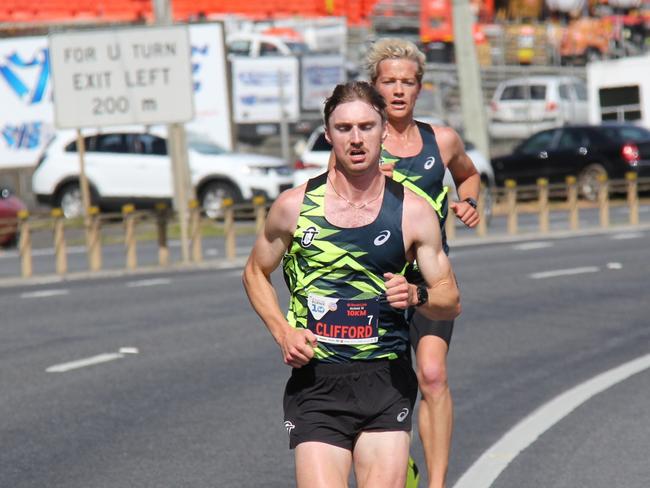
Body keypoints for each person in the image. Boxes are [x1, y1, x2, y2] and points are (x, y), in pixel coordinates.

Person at [243, 81, 460, 488]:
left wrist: (417, 295)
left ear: (383, 131)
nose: (356, 139)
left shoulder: (413, 212)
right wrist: (282, 330)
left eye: (366, 126)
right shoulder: (294, 207)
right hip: (317, 381)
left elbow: (450, 299)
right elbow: (255, 271)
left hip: (385, 380)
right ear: (328, 134)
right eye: (344, 128)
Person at [366, 38, 481, 488]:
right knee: (379, 387)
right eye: (389, 81)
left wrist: (469, 202)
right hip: (376, 284)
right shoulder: (360, 143)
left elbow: (468, 175)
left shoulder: (443, 140)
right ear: (374, 87)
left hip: (431, 279)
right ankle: (395, 464)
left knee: (432, 375)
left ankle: (435, 484)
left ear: (420, 88)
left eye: (407, 82)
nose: (398, 90)